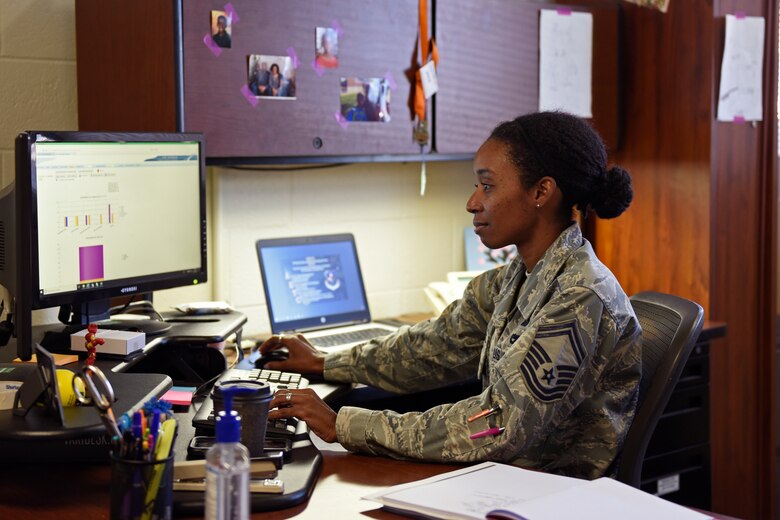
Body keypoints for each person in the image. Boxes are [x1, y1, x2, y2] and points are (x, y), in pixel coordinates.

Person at [259, 111, 642, 480]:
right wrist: (326, 363)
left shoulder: (579, 294)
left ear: (541, 191)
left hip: (548, 498)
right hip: (501, 481)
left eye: (487, 186)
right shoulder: (516, 279)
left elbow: (497, 426)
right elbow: (432, 348)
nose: (473, 202)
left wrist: (341, 423)